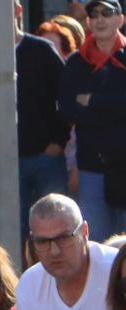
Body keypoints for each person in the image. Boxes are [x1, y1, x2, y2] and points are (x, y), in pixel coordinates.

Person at [0, 1, 71, 227]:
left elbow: (65, 96)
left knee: (56, 225)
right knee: (12, 228)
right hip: (6, 160)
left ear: (18, 10)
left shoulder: (43, 50)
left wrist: (59, 140)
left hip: (46, 157)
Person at [59, 0, 126, 240]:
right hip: (92, 170)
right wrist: (115, 109)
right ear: (87, 22)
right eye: (94, 15)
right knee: (96, 246)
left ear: (120, 20)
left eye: (107, 14)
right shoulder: (77, 63)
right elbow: (67, 109)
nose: (100, 20)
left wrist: (93, 101)